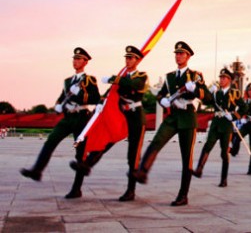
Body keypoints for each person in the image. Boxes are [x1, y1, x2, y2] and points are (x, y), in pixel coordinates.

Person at [133, 41, 212, 206]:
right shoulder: (169, 77)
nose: (178, 56)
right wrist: (164, 101)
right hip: (173, 115)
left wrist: (195, 90)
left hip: (188, 117)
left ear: (188, 56)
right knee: (157, 140)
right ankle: (143, 171)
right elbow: (160, 95)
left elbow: (209, 98)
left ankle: (183, 195)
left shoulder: (195, 75)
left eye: (182, 53)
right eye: (176, 53)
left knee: (186, 158)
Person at [69, 45, 149, 201]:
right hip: (121, 115)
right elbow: (111, 93)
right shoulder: (122, 77)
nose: (128, 60)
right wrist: (100, 102)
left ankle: (130, 190)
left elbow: (133, 85)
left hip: (136, 118)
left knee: (132, 155)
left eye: (131, 58)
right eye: (126, 57)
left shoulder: (141, 76)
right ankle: (87, 165)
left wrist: (114, 78)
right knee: (104, 142)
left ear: (137, 60)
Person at [20, 47, 100, 199]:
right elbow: (62, 96)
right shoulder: (68, 81)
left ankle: (76, 189)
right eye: (74, 59)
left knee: (80, 153)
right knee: (50, 141)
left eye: (79, 59)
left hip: (82, 118)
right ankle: (37, 170)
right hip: (68, 117)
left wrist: (81, 95)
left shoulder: (90, 79)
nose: (75, 61)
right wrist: (58, 105)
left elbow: (95, 98)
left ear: (85, 62)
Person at [193, 67, 243, 187]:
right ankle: (199, 169)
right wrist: (209, 91)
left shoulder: (234, 93)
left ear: (229, 80)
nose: (221, 80)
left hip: (226, 125)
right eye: (220, 77)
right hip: (216, 122)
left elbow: (244, 107)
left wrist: (234, 116)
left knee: (224, 152)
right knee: (207, 145)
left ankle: (224, 179)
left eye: (224, 78)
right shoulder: (216, 93)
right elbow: (205, 101)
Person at [231, 82, 251, 175]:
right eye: (249, 90)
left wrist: (243, 110)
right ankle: (234, 151)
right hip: (246, 124)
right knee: (237, 137)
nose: (250, 92)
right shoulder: (245, 101)